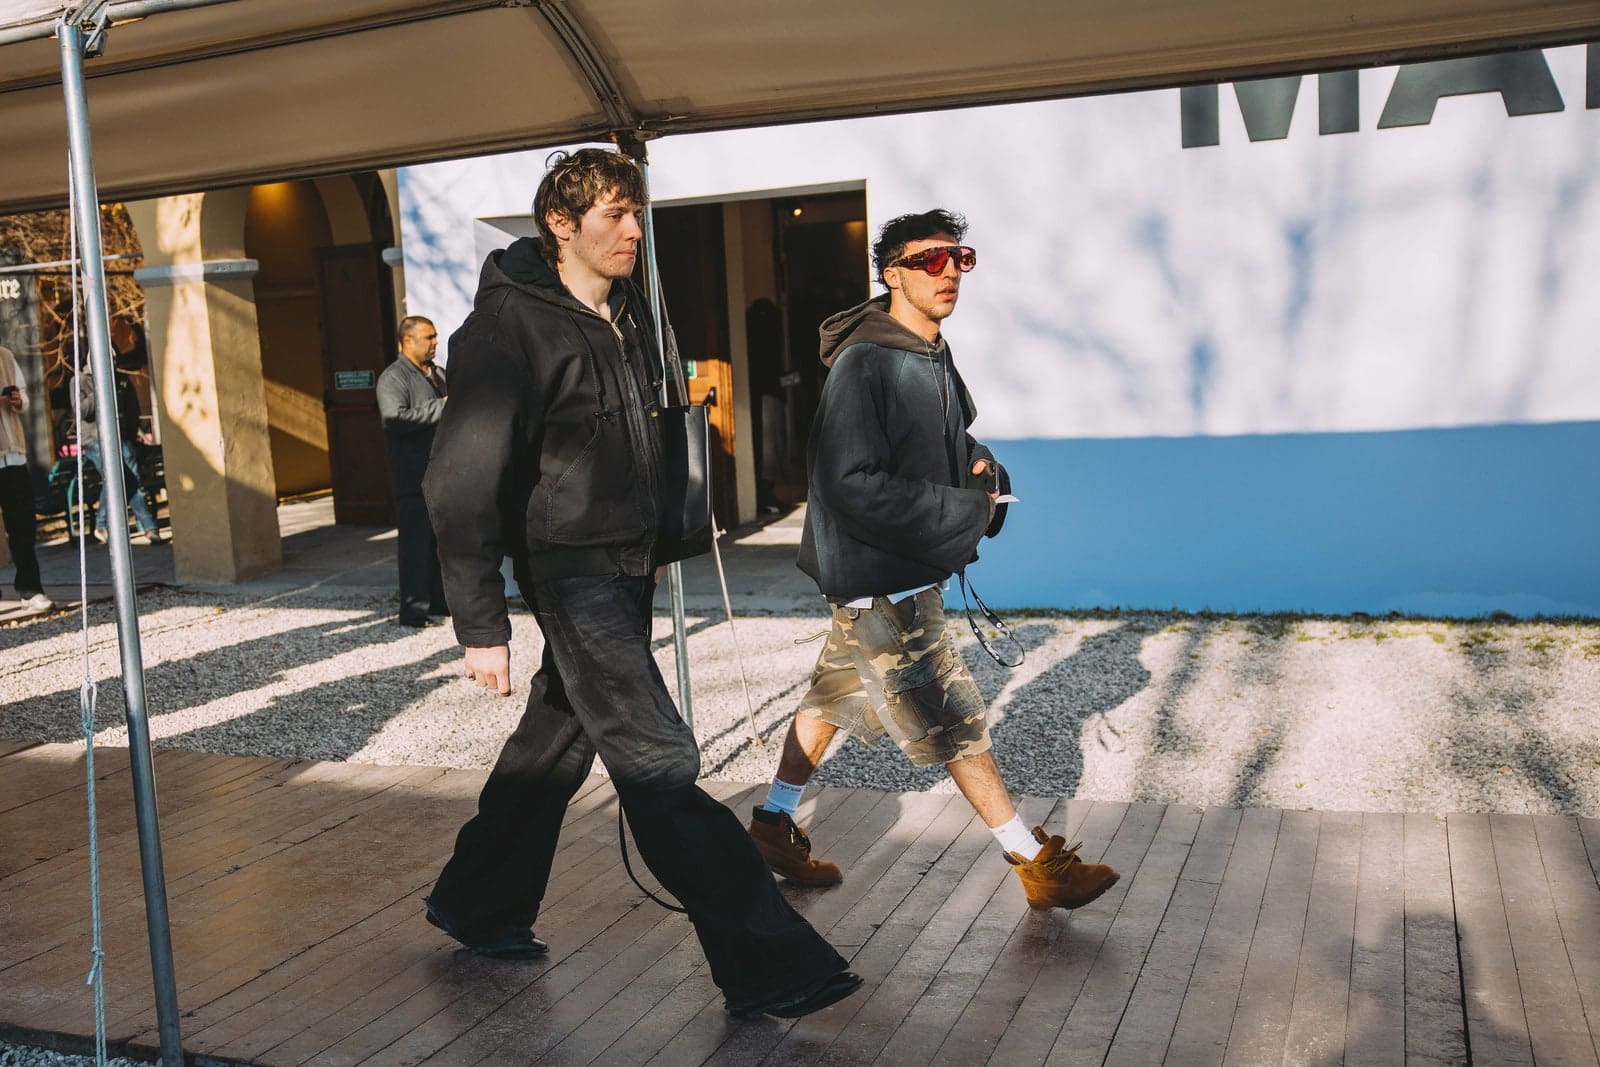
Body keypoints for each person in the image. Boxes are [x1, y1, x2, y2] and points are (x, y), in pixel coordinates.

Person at [420, 147, 860, 1020]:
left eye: (636, 213)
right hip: (571, 571)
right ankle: (770, 964)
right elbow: (457, 480)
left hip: (626, 566)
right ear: (560, 223)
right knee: (659, 762)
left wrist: (663, 536)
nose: (633, 230)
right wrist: (480, 622)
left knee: (555, 742)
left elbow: (640, 439)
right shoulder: (505, 328)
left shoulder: (626, 312)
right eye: (615, 215)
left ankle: (479, 901)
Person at [747, 209, 1120, 912]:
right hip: (883, 578)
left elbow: (951, 439)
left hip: (898, 570)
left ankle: (772, 823)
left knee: (832, 698)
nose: (949, 272)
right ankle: (1034, 863)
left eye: (960, 258)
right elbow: (849, 483)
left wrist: (983, 470)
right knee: (955, 719)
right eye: (929, 260)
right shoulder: (865, 363)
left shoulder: (930, 352)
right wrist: (962, 512)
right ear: (893, 273)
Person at [376, 315, 448, 627]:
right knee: (416, 545)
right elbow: (395, 418)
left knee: (440, 544)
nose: (435, 342)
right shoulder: (393, 378)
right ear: (408, 341)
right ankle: (413, 610)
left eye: (435, 336)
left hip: (441, 474)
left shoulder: (438, 374)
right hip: (413, 475)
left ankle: (440, 602)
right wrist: (443, 406)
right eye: (428, 337)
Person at [76, 368, 163, 545]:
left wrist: (130, 434)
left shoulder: (120, 379)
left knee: (132, 480)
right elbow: (81, 411)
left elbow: (132, 408)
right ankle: (105, 524)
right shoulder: (80, 380)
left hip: (121, 437)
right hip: (94, 439)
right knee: (114, 477)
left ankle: (148, 528)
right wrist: (100, 388)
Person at [0, 345, 51, 611]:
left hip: (15, 456)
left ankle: (30, 590)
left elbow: (24, 396)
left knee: (23, 526)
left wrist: (18, 401)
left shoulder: (6, 356)